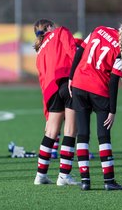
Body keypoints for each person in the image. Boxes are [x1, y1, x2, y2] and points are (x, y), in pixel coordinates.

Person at [69, 17, 122, 191]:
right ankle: (109, 181)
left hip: (79, 85)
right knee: (103, 137)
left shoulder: (99, 28)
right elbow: (113, 81)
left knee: (82, 134)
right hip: (99, 91)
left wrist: (71, 77)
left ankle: (85, 181)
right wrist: (112, 109)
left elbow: (80, 50)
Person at [32, 19, 80, 186]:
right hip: (67, 82)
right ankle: (64, 175)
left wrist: (47, 109)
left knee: (51, 132)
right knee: (70, 130)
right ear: (50, 26)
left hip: (50, 90)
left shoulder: (40, 51)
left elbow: (42, 79)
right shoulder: (61, 31)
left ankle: (40, 175)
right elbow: (73, 52)